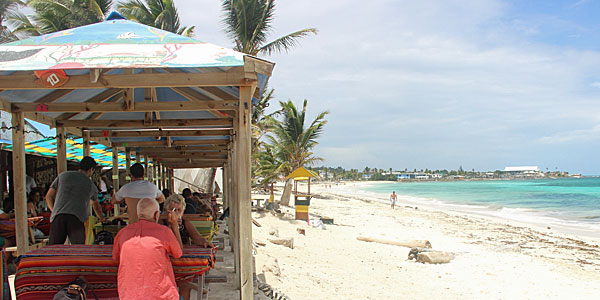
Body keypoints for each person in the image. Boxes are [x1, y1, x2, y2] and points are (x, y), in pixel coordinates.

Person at [113, 198, 182, 300]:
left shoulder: (123, 233)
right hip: (161, 295)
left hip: (129, 295)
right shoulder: (164, 232)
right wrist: (175, 226)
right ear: (156, 215)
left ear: (138, 214)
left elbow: (115, 257)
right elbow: (178, 253)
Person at [161, 194, 213, 300]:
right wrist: (173, 225)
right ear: (166, 211)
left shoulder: (185, 222)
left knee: (185, 285)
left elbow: (196, 237)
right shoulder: (161, 223)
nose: (176, 213)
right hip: (166, 261)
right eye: (172, 209)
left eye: (179, 210)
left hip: (182, 263)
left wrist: (204, 241)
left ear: (183, 211)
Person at [45, 157, 104, 245]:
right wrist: (102, 218)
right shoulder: (90, 184)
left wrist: (54, 210)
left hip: (58, 217)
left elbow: (48, 196)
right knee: (78, 249)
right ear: (91, 169)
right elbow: (96, 206)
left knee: (53, 249)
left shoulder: (63, 176)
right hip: (76, 218)